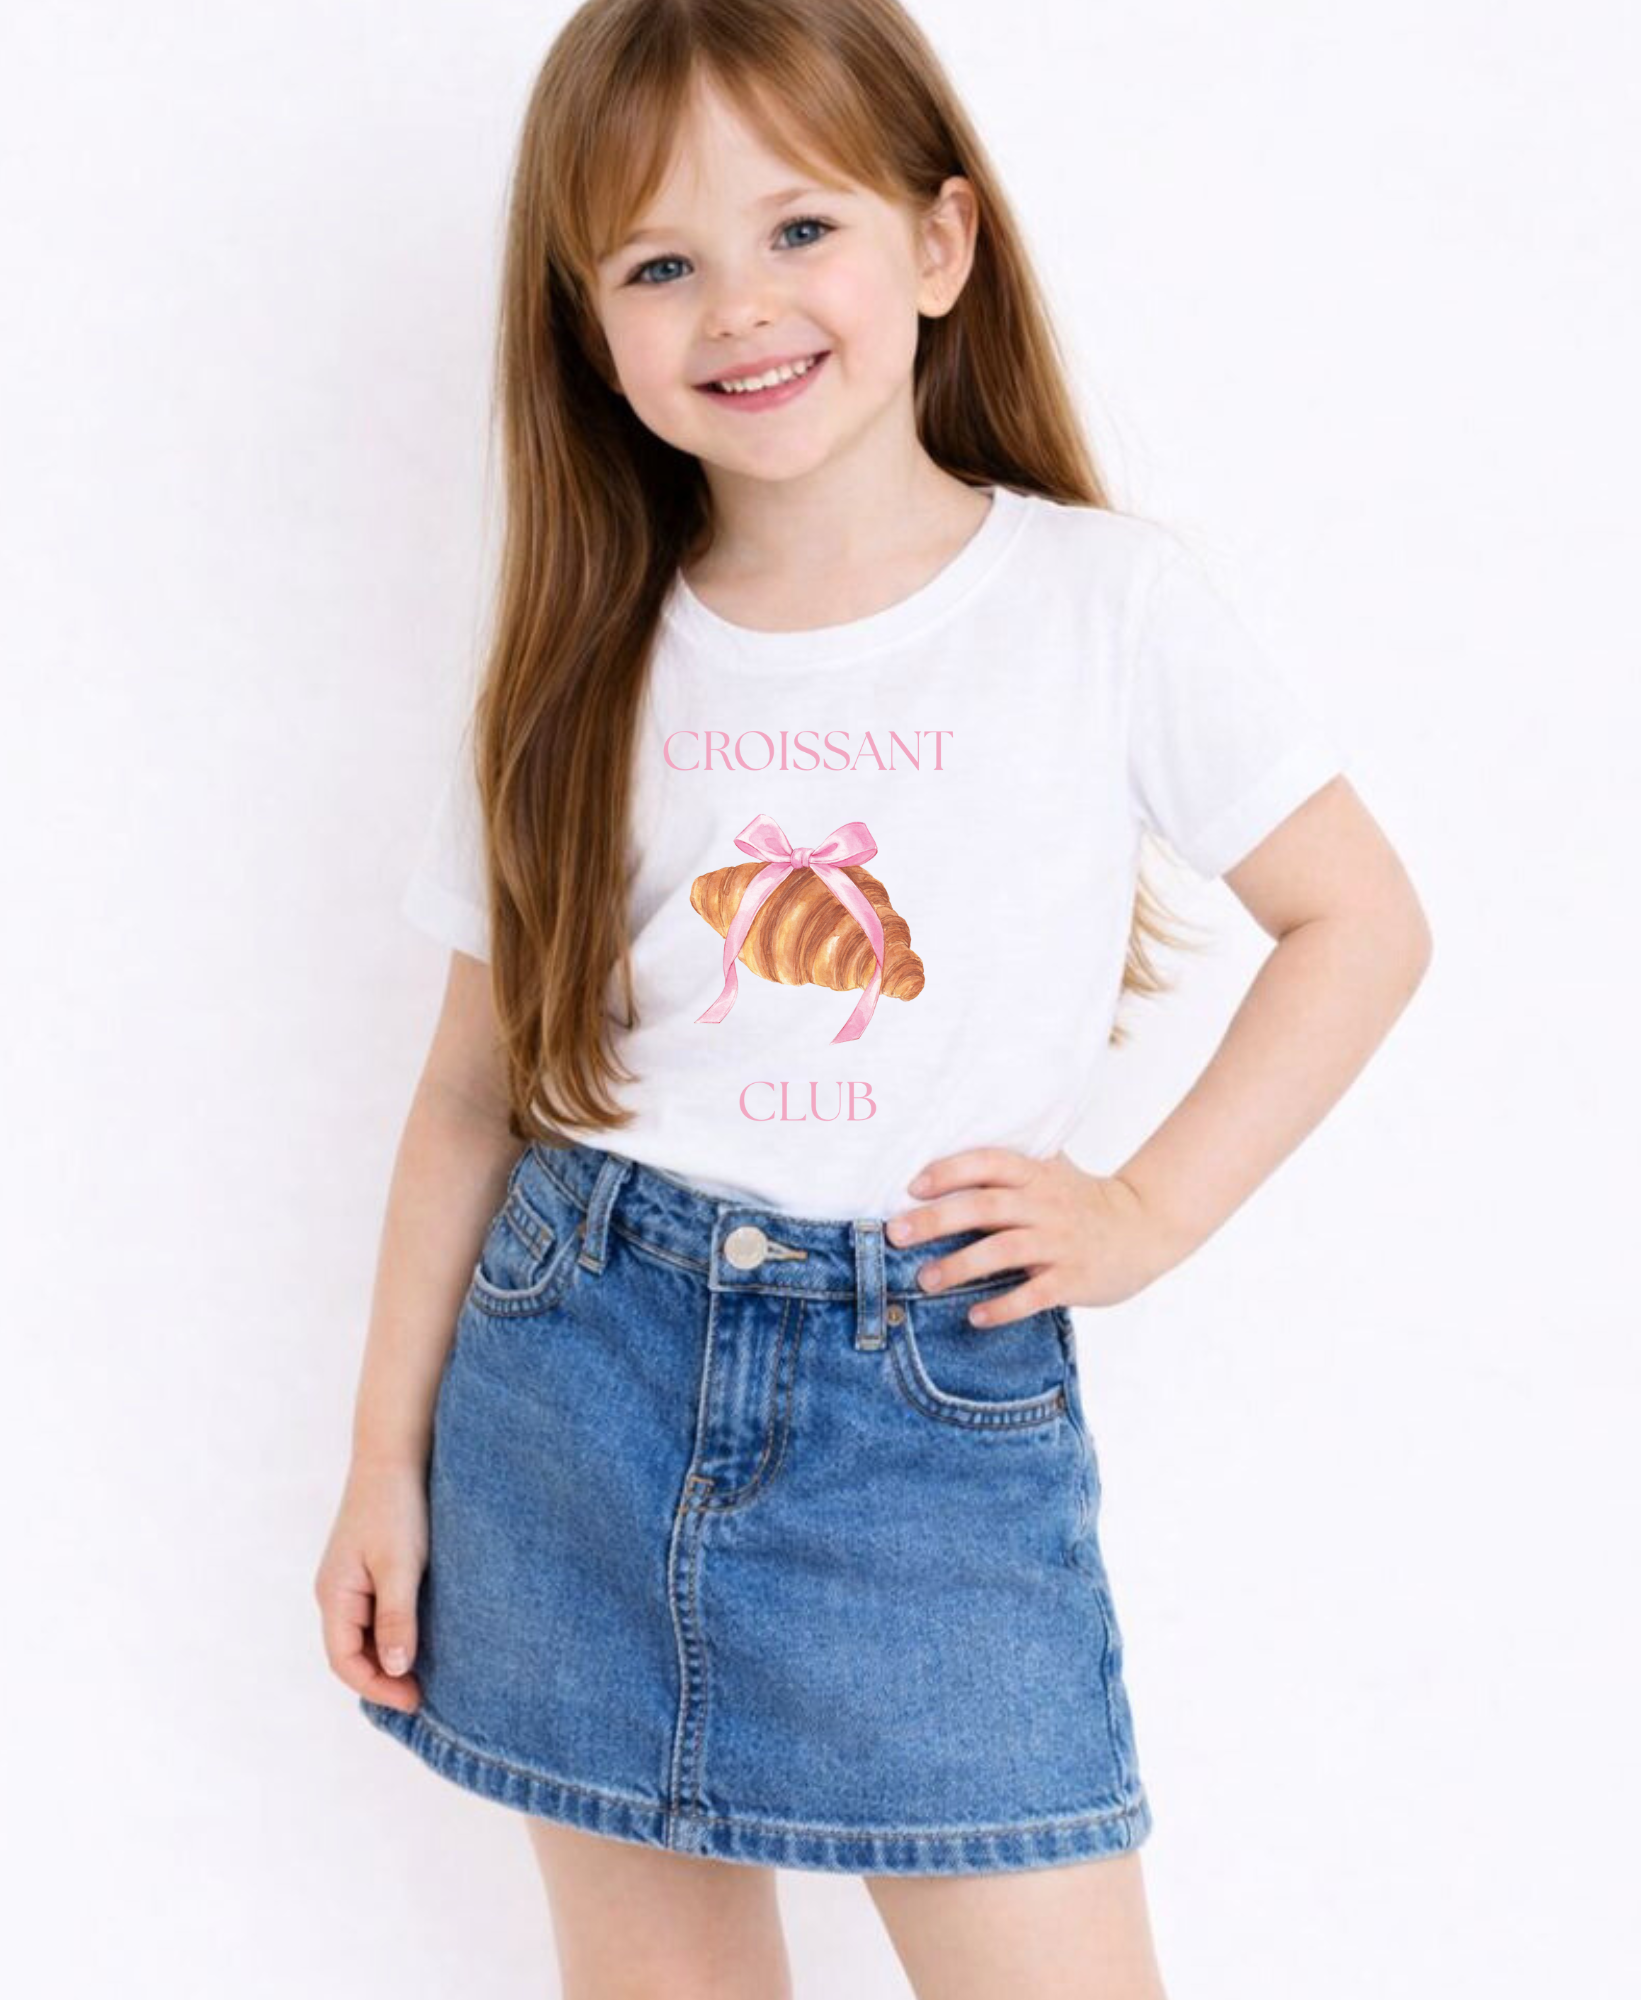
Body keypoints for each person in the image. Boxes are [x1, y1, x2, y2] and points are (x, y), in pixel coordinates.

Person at [314, 1, 1432, 1993]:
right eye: (659, 263)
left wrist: (1148, 1209)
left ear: (936, 244)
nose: (735, 303)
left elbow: (1356, 920)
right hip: (574, 1382)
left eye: (795, 229)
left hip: (926, 1406)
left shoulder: (1105, 604)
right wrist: (380, 1462)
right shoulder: (579, 664)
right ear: (593, 329)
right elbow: (470, 1099)